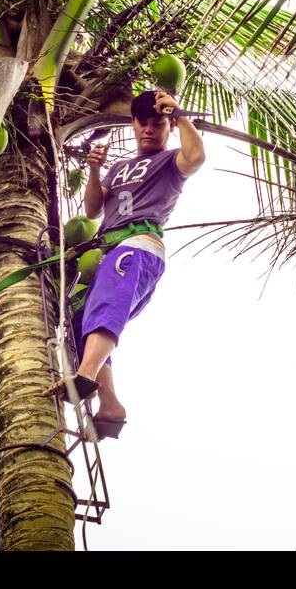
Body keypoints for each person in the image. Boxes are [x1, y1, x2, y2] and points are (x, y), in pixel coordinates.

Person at [44, 88, 205, 437]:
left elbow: (196, 157)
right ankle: (110, 404)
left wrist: (178, 113)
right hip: (107, 248)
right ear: (133, 124)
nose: (150, 129)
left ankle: (85, 376)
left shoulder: (171, 161)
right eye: (143, 123)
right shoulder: (119, 167)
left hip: (138, 244)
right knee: (79, 319)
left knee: (105, 306)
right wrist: (95, 170)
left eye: (158, 124)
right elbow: (92, 209)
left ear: (168, 127)